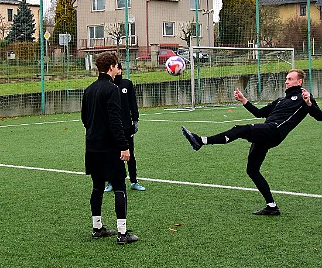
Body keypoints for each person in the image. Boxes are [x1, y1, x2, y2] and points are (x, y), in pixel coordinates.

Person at [181, 69, 322, 215]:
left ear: (299, 82)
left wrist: (309, 103)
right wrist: (244, 100)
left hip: (274, 131)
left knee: (239, 129)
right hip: (266, 133)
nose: (286, 81)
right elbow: (259, 113)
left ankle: (201, 141)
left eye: (290, 79)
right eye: (286, 78)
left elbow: (320, 117)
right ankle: (272, 206)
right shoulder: (281, 100)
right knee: (252, 170)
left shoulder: (304, 97)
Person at [81, 52, 138, 245]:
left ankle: (97, 228)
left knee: (97, 187)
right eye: (117, 65)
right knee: (120, 187)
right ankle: (123, 233)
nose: (118, 69)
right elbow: (116, 121)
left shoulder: (89, 90)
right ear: (112, 67)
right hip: (109, 148)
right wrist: (124, 146)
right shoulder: (112, 89)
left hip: (92, 148)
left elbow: (84, 120)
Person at [104, 62, 146, 192]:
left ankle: (134, 181)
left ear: (120, 70)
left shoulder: (127, 84)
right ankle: (111, 182)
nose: (115, 70)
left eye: (116, 67)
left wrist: (135, 120)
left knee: (130, 154)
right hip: (112, 127)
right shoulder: (108, 86)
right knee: (112, 155)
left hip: (127, 127)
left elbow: (133, 102)